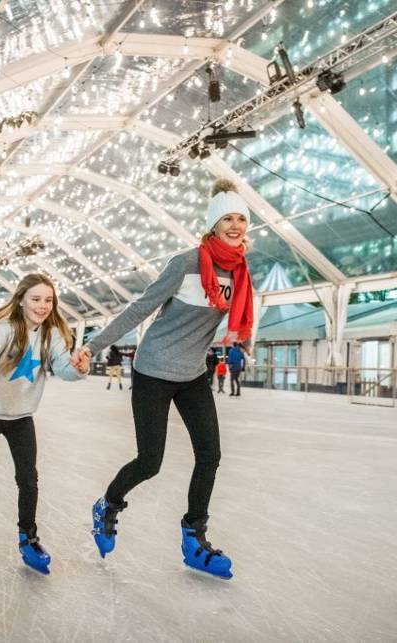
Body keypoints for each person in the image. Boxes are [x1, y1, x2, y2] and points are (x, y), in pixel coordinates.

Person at [71, 178, 254, 579]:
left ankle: (194, 539)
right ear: (212, 225)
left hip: (192, 373)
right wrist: (93, 344)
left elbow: (236, 317)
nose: (236, 225)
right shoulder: (185, 264)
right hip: (153, 370)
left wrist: (245, 340)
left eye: (242, 218)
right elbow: (139, 309)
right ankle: (109, 504)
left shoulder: (240, 272)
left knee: (211, 455)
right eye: (227, 218)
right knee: (150, 461)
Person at [0, 274, 90, 574]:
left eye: (48, 300)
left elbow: (63, 367)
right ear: (21, 299)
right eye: (36, 299)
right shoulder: (6, 330)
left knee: (28, 479)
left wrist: (79, 369)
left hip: (21, 417)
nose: (42, 305)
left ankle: (28, 538)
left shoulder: (53, 336)